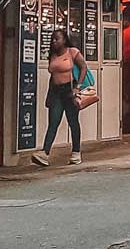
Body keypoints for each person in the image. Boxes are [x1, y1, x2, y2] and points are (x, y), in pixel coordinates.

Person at [33, 29, 89, 166]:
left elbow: (83, 67)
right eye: (52, 39)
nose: (54, 41)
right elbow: (52, 76)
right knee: (53, 122)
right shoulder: (52, 55)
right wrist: (49, 94)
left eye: (57, 39)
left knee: (73, 121)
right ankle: (45, 153)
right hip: (56, 91)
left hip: (70, 91)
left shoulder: (72, 52)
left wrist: (78, 87)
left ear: (64, 40)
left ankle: (76, 153)